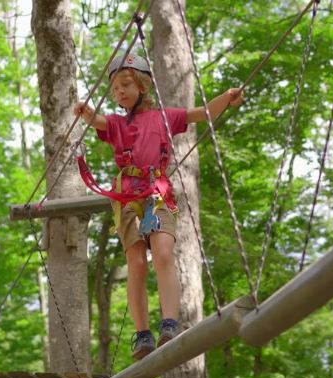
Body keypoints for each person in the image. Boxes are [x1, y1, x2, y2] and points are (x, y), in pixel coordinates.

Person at [73, 53, 243, 360]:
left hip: (157, 192)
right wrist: (85, 112)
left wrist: (226, 98)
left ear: (142, 85)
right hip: (127, 197)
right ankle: (142, 334)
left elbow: (202, 112)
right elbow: (97, 120)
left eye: (125, 84)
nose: (119, 92)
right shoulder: (115, 124)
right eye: (114, 89)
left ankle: (169, 323)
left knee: (163, 253)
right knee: (136, 262)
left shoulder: (165, 117)